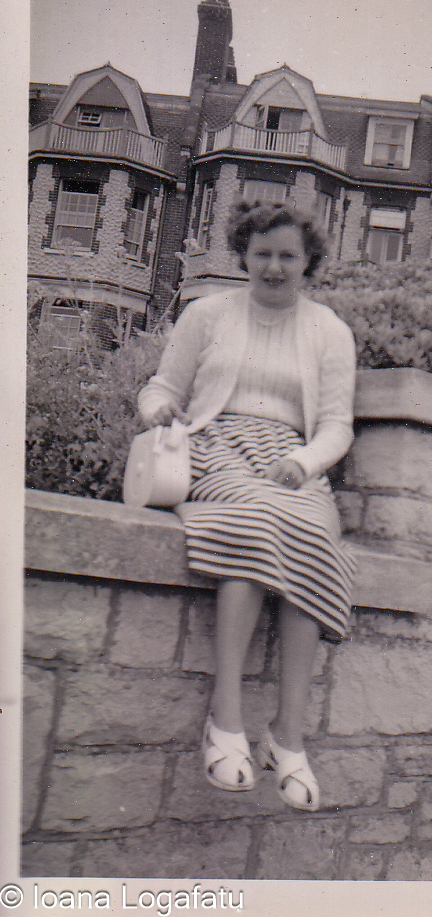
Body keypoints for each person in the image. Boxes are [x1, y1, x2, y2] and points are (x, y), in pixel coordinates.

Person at [137, 200, 357, 812]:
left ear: (308, 260)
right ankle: (226, 719)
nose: (274, 267)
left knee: (313, 537)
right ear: (244, 256)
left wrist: (306, 465)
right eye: (262, 254)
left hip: (289, 460)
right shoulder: (208, 314)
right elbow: (162, 387)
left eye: (288, 255)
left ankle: (288, 736)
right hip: (214, 446)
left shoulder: (329, 330)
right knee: (256, 520)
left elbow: (336, 427)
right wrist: (157, 412)